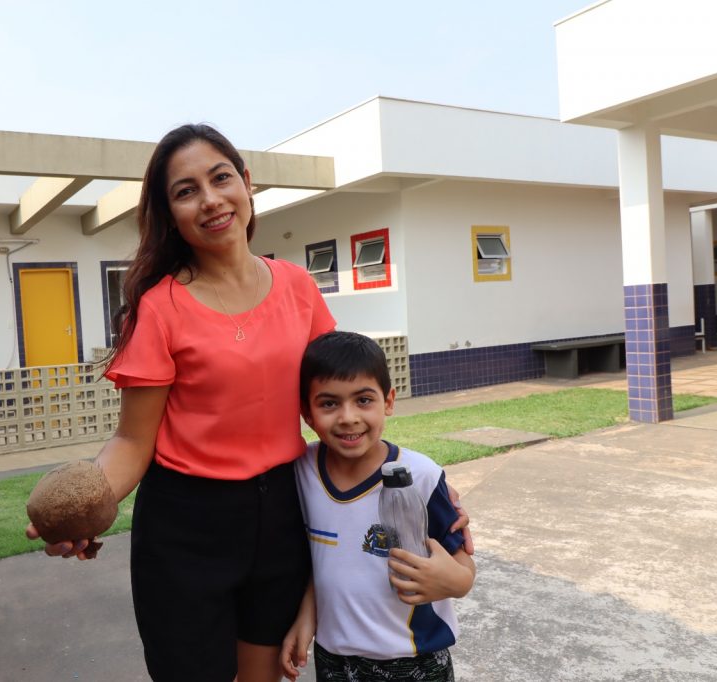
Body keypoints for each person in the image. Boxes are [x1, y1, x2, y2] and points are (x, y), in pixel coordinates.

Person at [25, 123, 470, 682]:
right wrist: (84, 507)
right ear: (171, 212)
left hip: (282, 514)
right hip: (186, 526)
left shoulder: (297, 287)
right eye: (186, 191)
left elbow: (341, 402)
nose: (210, 200)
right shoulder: (159, 307)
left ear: (247, 184)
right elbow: (134, 440)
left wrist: (419, 481)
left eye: (220, 178)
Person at [281, 331, 476, 682]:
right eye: (328, 403)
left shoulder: (422, 476)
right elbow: (324, 559)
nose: (348, 417)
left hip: (412, 660)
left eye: (363, 400)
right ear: (306, 413)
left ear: (388, 401)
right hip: (333, 658)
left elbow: (463, 566)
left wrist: (452, 583)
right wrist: (306, 619)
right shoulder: (302, 471)